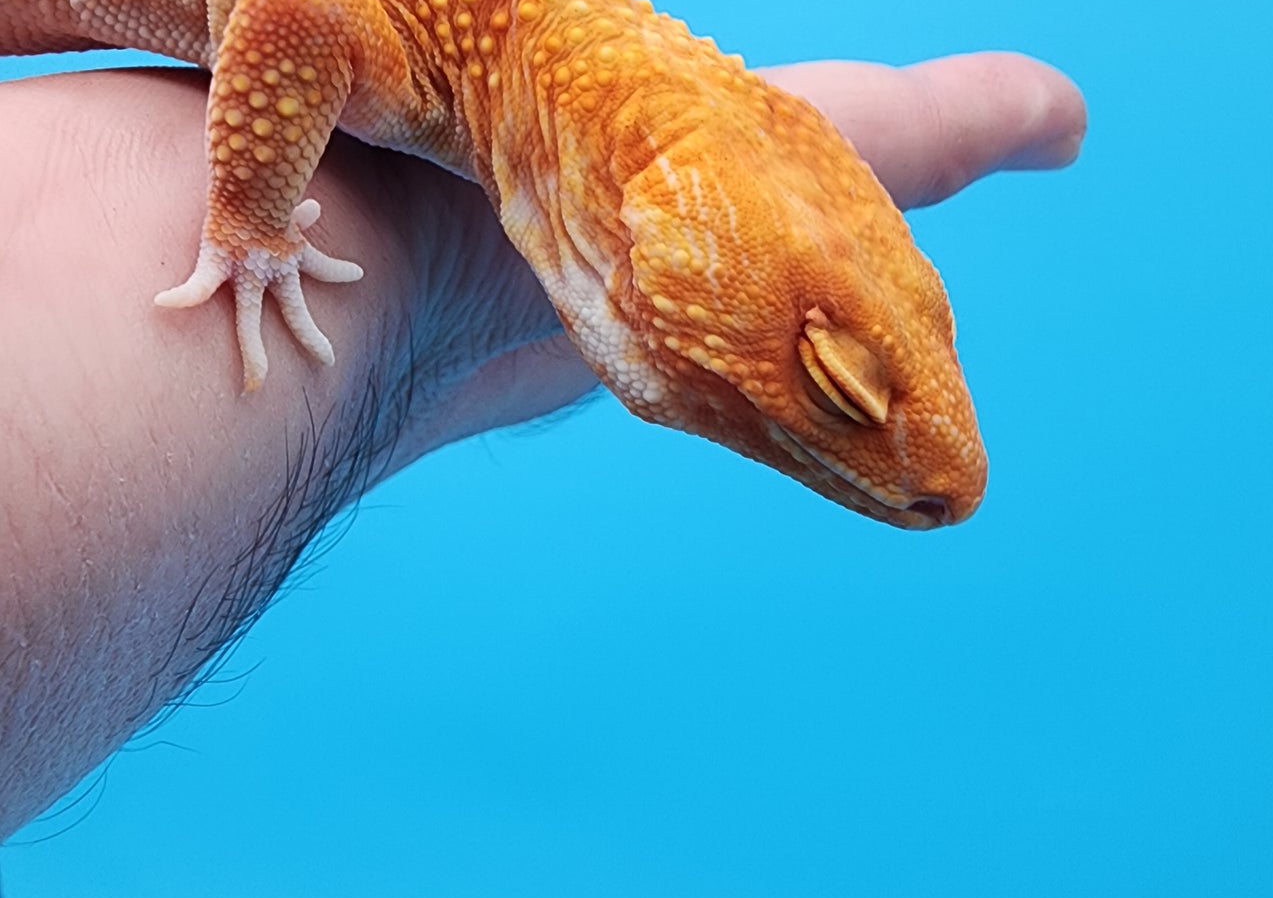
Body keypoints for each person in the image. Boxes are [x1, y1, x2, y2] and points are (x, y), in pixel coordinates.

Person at [0, 54, 1085, 838]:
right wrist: (249, 217)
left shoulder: (533, 90)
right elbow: (297, 8)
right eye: (840, 386)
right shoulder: (438, 65)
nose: (934, 483)